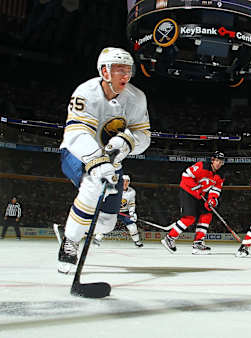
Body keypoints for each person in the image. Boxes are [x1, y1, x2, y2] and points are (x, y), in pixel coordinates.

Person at [57, 47, 151, 273]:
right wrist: (97, 160)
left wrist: (127, 141)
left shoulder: (137, 98)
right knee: (94, 182)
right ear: (105, 71)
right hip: (78, 152)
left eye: (128, 70)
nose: (126, 75)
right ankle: (70, 242)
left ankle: (74, 224)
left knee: (107, 222)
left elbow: (144, 136)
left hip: (114, 160)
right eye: (120, 70)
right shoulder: (85, 92)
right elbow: (75, 134)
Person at [161, 151, 225, 255]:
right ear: (212, 160)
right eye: (217, 160)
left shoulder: (220, 175)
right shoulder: (201, 166)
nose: (218, 163)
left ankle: (198, 243)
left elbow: (216, 189)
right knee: (189, 218)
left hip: (201, 195)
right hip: (188, 192)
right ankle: (170, 237)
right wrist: (196, 188)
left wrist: (212, 199)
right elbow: (185, 175)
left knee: (207, 215)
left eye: (221, 162)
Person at [94, 175, 143, 247]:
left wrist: (132, 213)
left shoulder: (132, 191)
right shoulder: (113, 189)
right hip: (114, 211)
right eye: (124, 181)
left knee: (132, 226)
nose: (125, 183)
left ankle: (137, 241)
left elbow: (131, 203)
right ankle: (97, 240)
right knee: (106, 225)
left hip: (124, 212)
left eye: (127, 181)